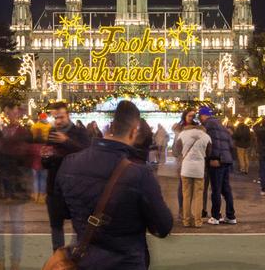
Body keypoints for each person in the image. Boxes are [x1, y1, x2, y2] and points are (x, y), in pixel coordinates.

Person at [55, 99, 173, 269]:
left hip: (84, 260)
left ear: (110, 128)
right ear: (134, 132)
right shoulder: (139, 174)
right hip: (126, 262)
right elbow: (163, 226)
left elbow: (62, 211)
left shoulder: (70, 163)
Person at [42, 101, 90, 251]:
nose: (58, 121)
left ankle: (75, 258)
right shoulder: (52, 132)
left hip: (75, 187)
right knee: (56, 227)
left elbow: (86, 153)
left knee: (79, 226)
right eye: (55, 117)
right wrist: (45, 157)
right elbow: (46, 163)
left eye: (61, 117)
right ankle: (58, 259)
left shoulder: (80, 132)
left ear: (68, 115)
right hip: (54, 188)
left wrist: (66, 141)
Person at [0, 104, 31, 270]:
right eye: (8, 112)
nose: (11, 115)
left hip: (17, 186)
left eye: (14, 112)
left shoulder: (24, 133)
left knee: (16, 227)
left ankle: (15, 262)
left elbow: (26, 159)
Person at [198, 106, 237, 225]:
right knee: (226, 189)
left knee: (216, 189)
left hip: (216, 160)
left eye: (200, 116)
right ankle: (231, 216)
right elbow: (231, 144)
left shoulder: (207, 126)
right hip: (226, 160)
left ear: (203, 115)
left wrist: (213, 157)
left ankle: (215, 216)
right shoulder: (222, 126)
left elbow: (210, 143)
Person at [174, 111, 211, 227]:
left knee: (186, 195)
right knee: (198, 195)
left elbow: (176, 151)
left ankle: (186, 220)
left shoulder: (183, 134)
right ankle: (198, 221)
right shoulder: (206, 136)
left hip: (186, 168)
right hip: (199, 169)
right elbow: (209, 153)